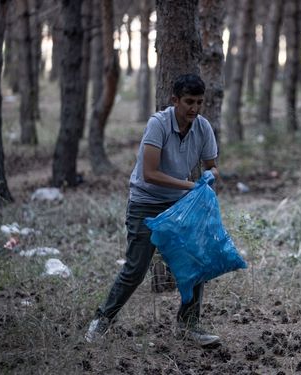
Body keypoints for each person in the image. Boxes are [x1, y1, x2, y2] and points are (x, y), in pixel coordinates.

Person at [85, 74, 220, 346]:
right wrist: (190, 185)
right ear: (174, 100)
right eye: (188, 102)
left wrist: (210, 179)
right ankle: (101, 321)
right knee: (135, 269)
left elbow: (212, 165)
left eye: (199, 102)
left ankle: (188, 326)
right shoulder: (158, 125)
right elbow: (149, 173)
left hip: (180, 204)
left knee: (195, 263)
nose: (194, 108)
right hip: (145, 202)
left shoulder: (203, 127)